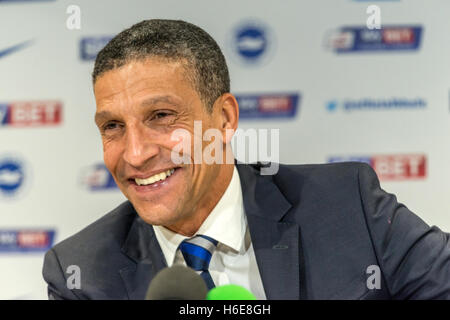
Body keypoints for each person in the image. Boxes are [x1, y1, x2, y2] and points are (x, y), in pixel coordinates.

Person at [42, 19, 450, 300]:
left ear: (224, 119)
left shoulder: (349, 206)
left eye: (162, 117)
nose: (135, 153)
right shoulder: (81, 273)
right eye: (112, 126)